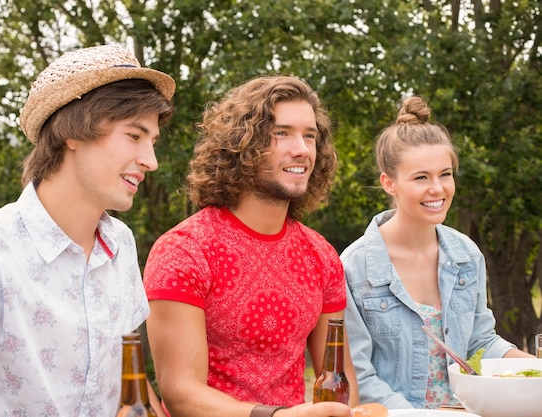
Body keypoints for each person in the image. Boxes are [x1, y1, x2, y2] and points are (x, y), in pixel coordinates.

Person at [0, 44, 175, 416]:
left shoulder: (120, 244)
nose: (151, 161)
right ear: (74, 132)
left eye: (152, 142)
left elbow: (128, 382)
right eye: (134, 136)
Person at [143, 75, 359, 417]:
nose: (301, 149)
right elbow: (181, 394)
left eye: (310, 136)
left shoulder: (321, 256)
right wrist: (276, 416)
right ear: (242, 144)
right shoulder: (184, 252)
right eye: (281, 133)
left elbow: (338, 381)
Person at [342, 96, 534, 410]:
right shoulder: (355, 267)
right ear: (389, 183)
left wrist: (536, 372)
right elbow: (359, 378)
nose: (438, 189)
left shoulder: (467, 256)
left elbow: (480, 343)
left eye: (445, 174)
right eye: (421, 177)